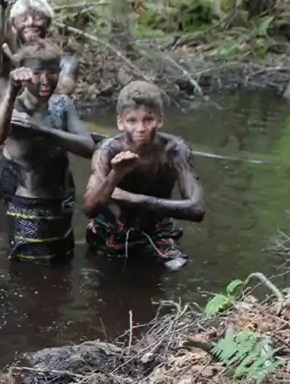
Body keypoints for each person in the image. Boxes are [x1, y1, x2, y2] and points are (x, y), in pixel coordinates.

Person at [0, 40, 94, 263]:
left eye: (52, 72)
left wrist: (43, 130)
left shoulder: (62, 104)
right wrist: (11, 91)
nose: (45, 81)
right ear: (25, 74)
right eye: (37, 73)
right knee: (29, 271)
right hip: (29, 208)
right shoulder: (13, 108)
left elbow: (87, 147)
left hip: (62, 202)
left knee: (63, 263)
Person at [82, 81, 205, 271]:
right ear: (121, 122)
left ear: (160, 119)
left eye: (148, 120)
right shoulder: (108, 150)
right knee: (107, 280)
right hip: (112, 229)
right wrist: (117, 173)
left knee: (178, 268)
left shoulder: (175, 150)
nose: (140, 128)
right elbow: (89, 208)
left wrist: (134, 199)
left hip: (157, 229)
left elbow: (197, 209)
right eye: (132, 121)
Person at [0, 0, 80, 95]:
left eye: (37, 18)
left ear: (47, 24)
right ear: (14, 27)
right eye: (23, 19)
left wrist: (30, 71)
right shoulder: (5, 57)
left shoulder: (64, 62)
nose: (30, 23)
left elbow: (63, 91)